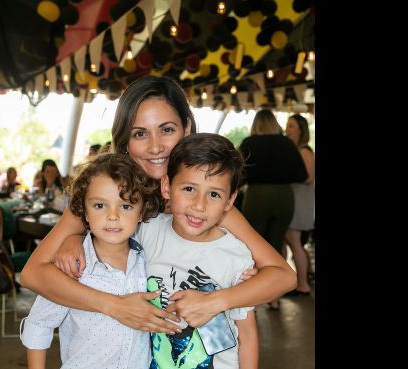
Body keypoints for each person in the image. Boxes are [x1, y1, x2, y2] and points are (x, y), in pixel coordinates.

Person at [20, 75, 296, 339]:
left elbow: (282, 275)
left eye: (166, 130)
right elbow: (34, 274)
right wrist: (114, 304)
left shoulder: (202, 205)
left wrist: (217, 300)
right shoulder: (107, 190)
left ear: (186, 129)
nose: (156, 147)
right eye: (140, 133)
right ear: (125, 141)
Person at [20, 153, 162, 369]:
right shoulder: (72, 269)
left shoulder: (148, 267)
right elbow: (39, 325)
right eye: (100, 206)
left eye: (126, 206)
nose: (113, 217)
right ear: (83, 211)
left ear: (143, 211)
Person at [137, 133, 258, 369]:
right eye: (188, 189)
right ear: (166, 186)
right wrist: (71, 243)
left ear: (230, 201)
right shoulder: (145, 233)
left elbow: (247, 336)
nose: (199, 205)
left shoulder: (236, 256)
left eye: (214, 194)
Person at [237, 109, 308, 309]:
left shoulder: (249, 143)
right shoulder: (286, 143)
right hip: (285, 197)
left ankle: (251, 296)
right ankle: (273, 298)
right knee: (275, 245)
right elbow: (301, 174)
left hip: (257, 195)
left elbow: (238, 174)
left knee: (252, 246)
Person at [283, 114, 315, 297]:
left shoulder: (304, 151)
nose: (287, 130)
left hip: (300, 201)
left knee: (295, 242)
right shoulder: (295, 150)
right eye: (287, 126)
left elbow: (309, 177)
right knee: (292, 242)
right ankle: (301, 278)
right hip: (294, 200)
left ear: (301, 130)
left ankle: (302, 284)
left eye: (291, 126)